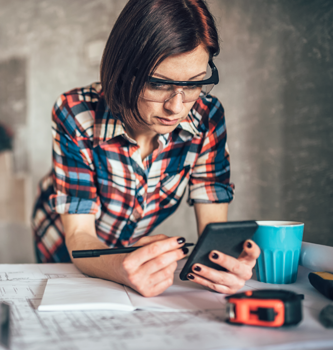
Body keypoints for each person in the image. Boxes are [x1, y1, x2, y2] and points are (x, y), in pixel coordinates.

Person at [32, 0, 260, 297]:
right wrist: (121, 264)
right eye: (158, 84)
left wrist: (221, 266)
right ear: (124, 70)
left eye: (194, 84)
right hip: (63, 242)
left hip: (127, 250)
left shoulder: (207, 117)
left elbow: (213, 234)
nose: (177, 106)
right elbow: (79, 235)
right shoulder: (76, 112)